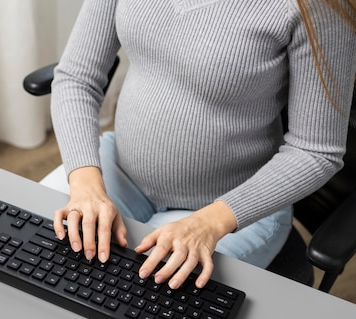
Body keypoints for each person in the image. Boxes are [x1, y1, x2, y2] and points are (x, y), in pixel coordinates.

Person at [50, 0, 356, 290]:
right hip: (118, 171)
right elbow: (77, 78)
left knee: (136, 299)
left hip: (229, 209)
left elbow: (316, 151)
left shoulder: (316, 8)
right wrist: (87, 186)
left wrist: (208, 224)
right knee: (47, 257)